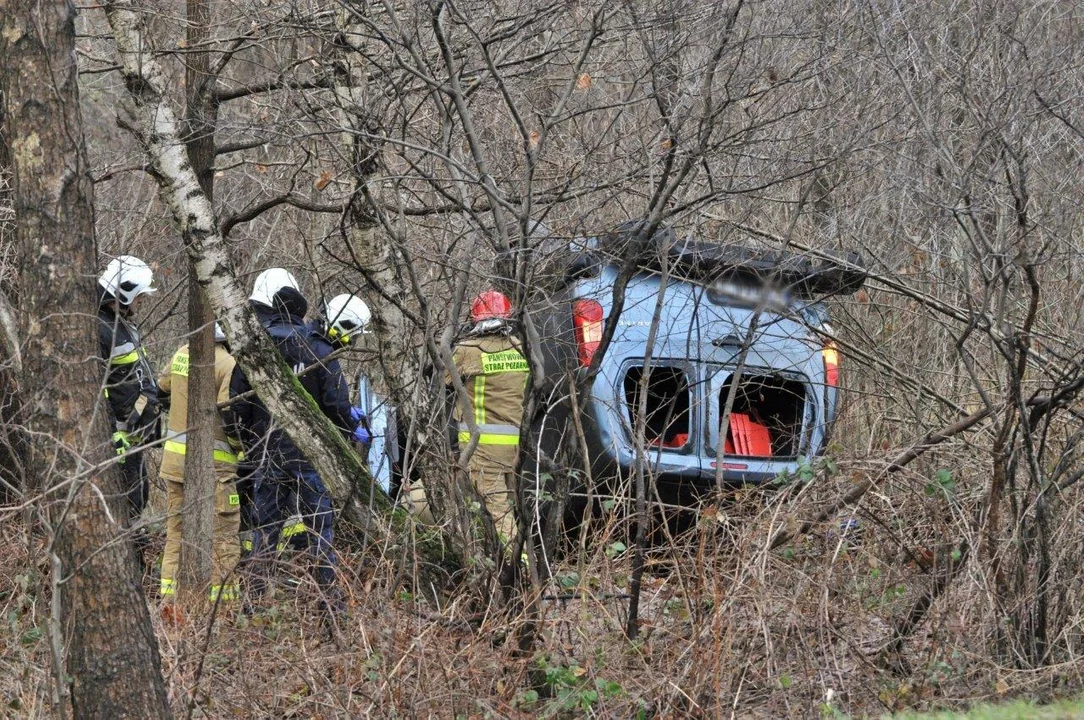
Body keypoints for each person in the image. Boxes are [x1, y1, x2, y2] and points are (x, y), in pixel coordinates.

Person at [227, 287, 366, 617]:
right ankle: (330, 608)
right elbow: (334, 404)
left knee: (266, 531)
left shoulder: (256, 344)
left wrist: (252, 444)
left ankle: (254, 606)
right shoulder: (319, 350)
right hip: (309, 458)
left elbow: (237, 403)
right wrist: (351, 426)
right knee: (320, 532)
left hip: (267, 454)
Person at [411, 290, 529, 545]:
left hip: (484, 449)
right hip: (515, 446)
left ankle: (520, 576)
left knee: (497, 514)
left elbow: (438, 381)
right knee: (510, 506)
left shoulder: (469, 349)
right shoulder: (519, 347)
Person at [157, 323, 243, 604]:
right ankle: (224, 606)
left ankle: (170, 602)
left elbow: (162, 386)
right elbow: (229, 413)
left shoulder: (182, 353)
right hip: (214, 467)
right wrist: (243, 449)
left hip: (173, 463)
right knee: (224, 535)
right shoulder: (228, 363)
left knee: (176, 533)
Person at [237, 267, 302, 551]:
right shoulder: (301, 339)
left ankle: (254, 573)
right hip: (289, 444)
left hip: (253, 441)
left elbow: (237, 397)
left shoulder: (247, 334)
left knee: (254, 514)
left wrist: (240, 435)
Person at [97, 255, 161, 525]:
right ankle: (130, 554)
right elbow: (98, 389)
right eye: (139, 296)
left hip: (133, 432)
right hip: (120, 437)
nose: (141, 302)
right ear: (123, 292)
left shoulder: (120, 324)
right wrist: (112, 433)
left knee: (140, 494)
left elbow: (135, 372)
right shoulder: (100, 328)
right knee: (129, 500)